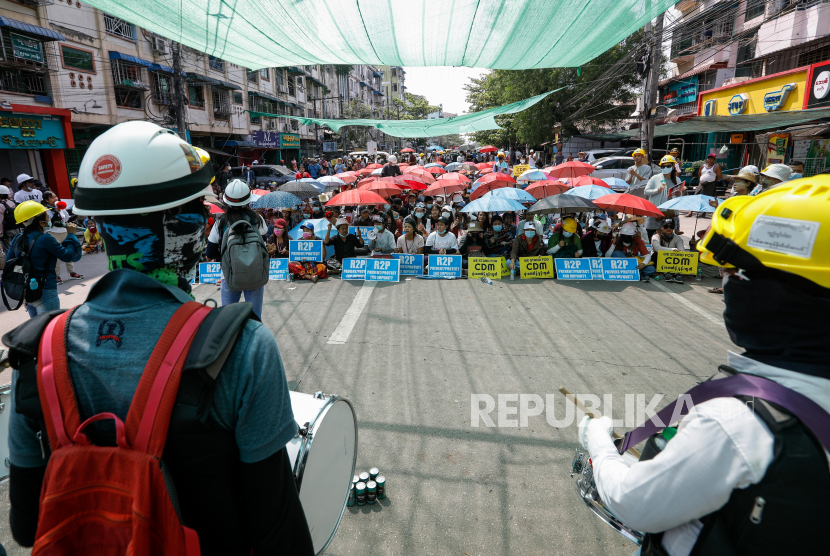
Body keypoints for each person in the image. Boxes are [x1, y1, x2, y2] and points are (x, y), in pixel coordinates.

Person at [4, 121, 314, 555]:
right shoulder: (242, 348)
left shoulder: (35, 350)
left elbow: (26, 526)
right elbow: (277, 531)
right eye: (198, 210)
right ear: (182, 227)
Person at [580, 177, 830, 556]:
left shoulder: (737, 422)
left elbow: (635, 504)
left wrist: (598, 441)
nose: (727, 287)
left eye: (734, 274)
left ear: (782, 291)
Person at [4, 201, 81, 316]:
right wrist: (71, 234)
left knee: (37, 329)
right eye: (46, 216)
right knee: (48, 328)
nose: (49, 219)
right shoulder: (45, 239)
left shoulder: (18, 238)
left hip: (28, 292)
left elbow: (8, 263)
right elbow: (68, 256)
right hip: (46, 291)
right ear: (41, 222)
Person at [206, 179, 269, 318]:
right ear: (248, 201)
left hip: (229, 277)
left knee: (228, 319)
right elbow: (263, 242)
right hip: (256, 273)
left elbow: (209, 254)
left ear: (226, 201)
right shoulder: (257, 220)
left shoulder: (220, 223)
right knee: (255, 317)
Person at [42, 194, 82, 282]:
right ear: (46, 200)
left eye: (56, 196)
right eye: (52, 197)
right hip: (53, 234)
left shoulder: (62, 209)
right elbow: (51, 223)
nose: (56, 199)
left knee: (68, 252)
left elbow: (67, 220)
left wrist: (77, 214)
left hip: (64, 233)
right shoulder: (46, 210)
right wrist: (56, 211)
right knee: (54, 255)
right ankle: (56, 276)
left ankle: (72, 272)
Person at [643, 155, 681, 241]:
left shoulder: (677, 180)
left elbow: (679, 196)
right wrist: (658, 190)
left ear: (673, 166)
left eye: (668, 166)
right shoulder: (655, 178)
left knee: (667, 236)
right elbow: (646, 191)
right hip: (656, 211)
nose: (665, 168)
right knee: (651, 234)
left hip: (670, 212)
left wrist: (679, 193)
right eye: (663, 166)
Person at [651, 218, 685, 283]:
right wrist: (673, 250)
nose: (668, 228)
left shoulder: (678, 238)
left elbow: (682, 250)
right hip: (658, 259)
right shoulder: (656, 236)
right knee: (657, 254)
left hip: (672, 261)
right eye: (666, 226)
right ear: (661, 227)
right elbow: (657, 248)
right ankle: (666, 272)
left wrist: (677, 251)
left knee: (680, 255)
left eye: (671, 227)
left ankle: (676, 273)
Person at [0, 182, 19, 252]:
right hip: (17, 229)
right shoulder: (12, 202)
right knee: (18, 249)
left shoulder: (0, 206)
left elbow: (0, 222)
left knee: (9, 252)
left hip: (7, 232)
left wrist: (1, 235)